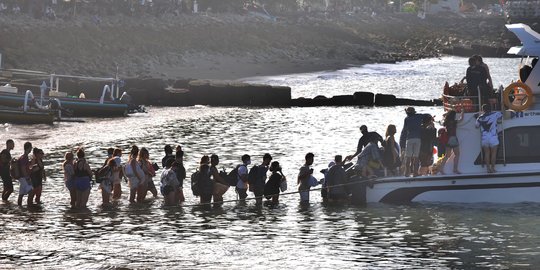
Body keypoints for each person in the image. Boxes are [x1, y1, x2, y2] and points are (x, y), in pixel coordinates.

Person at [399, 107, 428, 177]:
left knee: (408, 157)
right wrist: (424, 123)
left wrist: (402, 141)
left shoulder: (406, 119)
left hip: (409, 139)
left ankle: (407, 173)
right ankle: (415, 173)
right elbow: (427, 115)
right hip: (417, 138)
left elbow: (404, 130)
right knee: (416, 157)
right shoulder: (419, 116)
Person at [476, 104, 503, 173]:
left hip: (485, 138)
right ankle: (493, 168)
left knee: (487, 153)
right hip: (493, 137)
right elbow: (503, 114)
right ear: (491, 109)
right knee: (493, 153)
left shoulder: (480, 118)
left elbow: (476, 126)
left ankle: (488, 169)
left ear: (483, 110)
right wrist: (502, 105)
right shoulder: (495, 114)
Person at [439, 109, 464, 174]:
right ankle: (455, 169)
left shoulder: (446, 122)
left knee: (447, 155)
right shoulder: (454, 122)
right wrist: (462, 113)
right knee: (457, 154)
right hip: (453, 138)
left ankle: (441, 168)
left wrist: (444, 116)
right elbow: (461, 119)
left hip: (447, 139)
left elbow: (441, 122)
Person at [17, 142, 34, 206]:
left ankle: (19, 206)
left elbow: (25, 166)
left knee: (21, 194)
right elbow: (23, 168)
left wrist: (31, 163)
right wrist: (27, 177)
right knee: (31, 192)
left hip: (21, 178)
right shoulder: (24, 157)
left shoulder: (23, 157)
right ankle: (29, 206)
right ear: (29, 148)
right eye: (31, 147)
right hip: (24, 177)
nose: (31, 149)